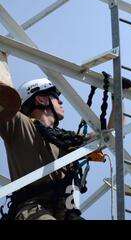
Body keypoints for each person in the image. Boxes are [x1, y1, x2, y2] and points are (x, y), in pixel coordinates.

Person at [0, 51, 114, 220]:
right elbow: (4, 97)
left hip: (66, 211)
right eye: (55, 96)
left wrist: (118, 97)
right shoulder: (19, 124)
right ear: (41, 99)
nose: (61, 102)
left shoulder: (66, 140)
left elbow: (110, 136)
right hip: (33, 209)